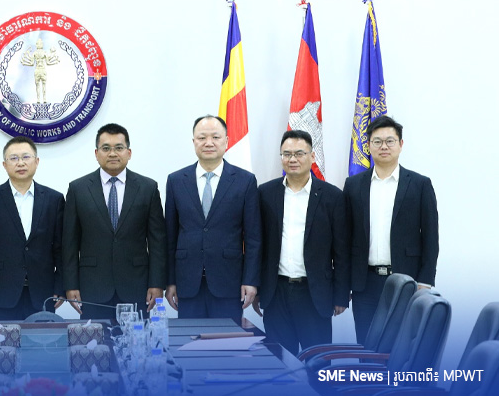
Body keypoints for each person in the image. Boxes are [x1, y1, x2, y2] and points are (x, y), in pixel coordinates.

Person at [344, 115, 439, 343]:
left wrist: (425, 282)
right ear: (368, 146)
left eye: (390, 141)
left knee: (400, 347)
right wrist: (344, 283)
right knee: (366, 347)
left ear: (401, 144)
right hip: (365, 284)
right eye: (377, 141)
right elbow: (345, 237)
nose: (383, 146)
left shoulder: (420, 184)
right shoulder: (353, 185)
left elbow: (430, 238)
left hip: (407, 282)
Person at [254, 130, 350, 355]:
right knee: (280, 361)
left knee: (318, 362)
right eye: (286, 154)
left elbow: (342, 251)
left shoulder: (332, 197)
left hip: (314, 294)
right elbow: (258, 245)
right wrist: (257, 287)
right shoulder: (265, 194)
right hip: (276, 292)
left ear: (312, 156)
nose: (293, 159)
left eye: (299, 153)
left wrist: (341, 295)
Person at [63, 123, 166, 319]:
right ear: (96, 153)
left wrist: (157, 283)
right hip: (92, 287)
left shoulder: (148, 188)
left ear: (129, 152)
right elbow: (69, 243)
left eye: (119, 148)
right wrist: (70, 284)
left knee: (136, 337)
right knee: (94, 339)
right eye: (106, 148)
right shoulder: (78, 189)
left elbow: (157, 242)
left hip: (136, 286)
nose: (112, 153)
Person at [165, 115, 262, 320]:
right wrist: (170, 281)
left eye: (215, 137)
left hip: (229, 282)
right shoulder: (176, 181)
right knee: (189, 339)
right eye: (202, 138)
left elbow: (253, 238)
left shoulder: (245, 181)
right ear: (194, 142)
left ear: (226, 141)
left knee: (226, 339)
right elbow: (170, 237)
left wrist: (250, 280)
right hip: (187, 283)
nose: (208, 143)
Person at [0, 136, 65, 320]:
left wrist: (60, 286)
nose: (20, 163)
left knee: (43, 337)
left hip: (43, 292)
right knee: (2, 339)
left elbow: (61, 249)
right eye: (13, 158)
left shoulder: (54, 199)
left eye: (26, 157)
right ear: (4, 165)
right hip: (1, 292)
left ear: (37, 162)